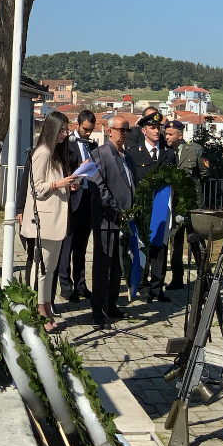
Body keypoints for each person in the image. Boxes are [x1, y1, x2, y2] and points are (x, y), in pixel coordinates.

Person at [20, 112, 76, 332]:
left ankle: (45, 305)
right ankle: (38, 308)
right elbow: (37, 187)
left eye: (66, 129)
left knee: (50, 268)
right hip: (42, 219)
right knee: (41, 267)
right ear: (51, 129)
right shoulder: (42, 153)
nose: (65, 133)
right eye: (61, 129)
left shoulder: (56, 154)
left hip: (56, 218)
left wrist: (70, 185)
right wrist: (59, 183)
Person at [87, 117, 137, 326]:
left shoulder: (127, 156)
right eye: (120, 130)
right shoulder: (101, 153)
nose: (124, 133)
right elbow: (97, 186)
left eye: (127, 130)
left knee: (117, 264)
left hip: (124, 219)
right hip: (106, 218)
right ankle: (98, 308)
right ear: (109, 131)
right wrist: (116, 210)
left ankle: (111, 303)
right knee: (103, 264)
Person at [125, 110, 176, 302]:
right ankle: (143, 287)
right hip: (143, 208)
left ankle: (157, 287)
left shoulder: (169, 154)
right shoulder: (134, 154)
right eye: (153, 128)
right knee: (143, 247)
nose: (157, 131)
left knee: (160, 247)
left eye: (159, 128)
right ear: (144, 130)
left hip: (162, 208)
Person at [58, 110, 99, 302]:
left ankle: (81, 283)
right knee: (68, 244)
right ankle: (65, 285)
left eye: (91, 130)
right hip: (71, 199)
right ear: (77, 124)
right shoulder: (67, 144)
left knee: (82, 246)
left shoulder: (93, 145)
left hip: (87, 198)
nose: (88, 133)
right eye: (85, 129)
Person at [164, 119, 208, 289]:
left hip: (192, 205)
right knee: (175, 241)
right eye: (166, 133)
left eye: (170, 134)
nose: (166, 137)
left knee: (196, 240)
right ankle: (177, 278)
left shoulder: (195, 150)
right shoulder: (166, 152)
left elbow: (204, 174)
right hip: (174, 205)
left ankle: (203, 277)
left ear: (180, 135)